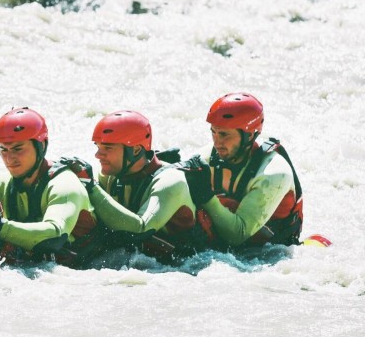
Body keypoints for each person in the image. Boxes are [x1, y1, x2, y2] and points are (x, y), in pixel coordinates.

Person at [66, 110, 198, 258]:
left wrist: (91, 187)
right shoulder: (111, 176)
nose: (97, 155)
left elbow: (141, 229)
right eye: (98, 147)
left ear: (135, 150)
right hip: (141, 261)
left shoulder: (171, 181)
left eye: (108, 148)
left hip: (183, 266)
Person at [0, 107, 101, 267]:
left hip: (86, 269)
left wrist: (2, 228)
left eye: (18, 149)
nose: (9, 158)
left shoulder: (65, 185)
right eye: (3, 150)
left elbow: (54, 235)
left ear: (41, 146)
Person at [181, 92, 303, 248]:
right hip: (225, 246)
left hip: (267, 252)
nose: (217, 142)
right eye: (213, 132)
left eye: (224, 134)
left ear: (249, 135)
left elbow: (238, 235)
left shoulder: (273, 174)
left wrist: (207, 197)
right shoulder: (208, 156)